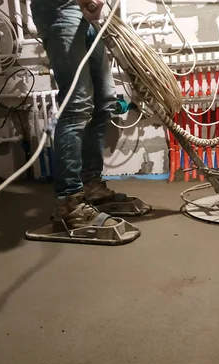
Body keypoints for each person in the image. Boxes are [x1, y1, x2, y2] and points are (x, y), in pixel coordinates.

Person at [30, 0, 150, 234]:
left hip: (84, 12)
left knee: (103, 102)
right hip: (59, 8)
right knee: (77, 104)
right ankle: (68, 203)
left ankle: (91, 186)